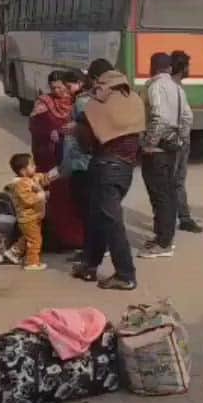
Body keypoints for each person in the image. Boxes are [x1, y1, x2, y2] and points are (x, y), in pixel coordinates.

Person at [72, 70, 143, 290]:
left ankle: (125, 274)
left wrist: (75, 130)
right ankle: (89, 265)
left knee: (111, 222)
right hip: (126, 168)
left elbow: (85, 142)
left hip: (105, 166)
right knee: (98, 217)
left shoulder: (95, 107)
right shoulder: (134, 100)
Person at [60, 60, 115, 263]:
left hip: (84, 163)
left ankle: (92, 251)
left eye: (68, 86)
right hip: (104, 161)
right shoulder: (115, 99)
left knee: (88, 208)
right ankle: (95, 248)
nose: (66, 91)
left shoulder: (84, 102)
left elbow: (81, 138)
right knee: (97, 207)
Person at [140, 52, 189, 258]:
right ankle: (163, 236)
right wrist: (180, 139)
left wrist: (150, 143)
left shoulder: (155, 86)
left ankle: (163, 243)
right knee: (167, 193)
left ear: (153, 67)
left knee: (159, 196)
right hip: (172, 148)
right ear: (169, 68)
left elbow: (158, 116)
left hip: (157, 150)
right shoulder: (177, 88)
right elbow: (187, 117)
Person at [29, 70, 80, 250]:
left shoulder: (76, 101)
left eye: (60, 87)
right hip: (49, 157)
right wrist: (50, 132)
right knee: (52, 197)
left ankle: (75, 238)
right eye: (53, 88)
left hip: (70, 156)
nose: (57, 91)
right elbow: (35, 125)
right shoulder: (43, 103)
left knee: (72, 196)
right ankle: (57, 237)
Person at [170, 51, 203, 234]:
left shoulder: (174, 86)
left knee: (177, 181)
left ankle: (181, 217)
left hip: (178, 141)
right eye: (188, 66)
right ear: (182, 68)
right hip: (177, 142)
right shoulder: (173, 88)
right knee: (175, 181)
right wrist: (182, 139)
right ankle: (180, 219)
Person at [4, 153, 55, 271]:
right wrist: (42, 195)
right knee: (36, 240)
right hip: (28, 218)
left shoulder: (31, 178)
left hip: (34, 217)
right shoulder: (21, 184)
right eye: (31, 165)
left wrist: (54, 173)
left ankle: (13, 252)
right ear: (23, 171)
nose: (35, 167)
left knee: (27, 238)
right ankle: (32, 262)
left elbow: (42, 178)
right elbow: (28, 200)